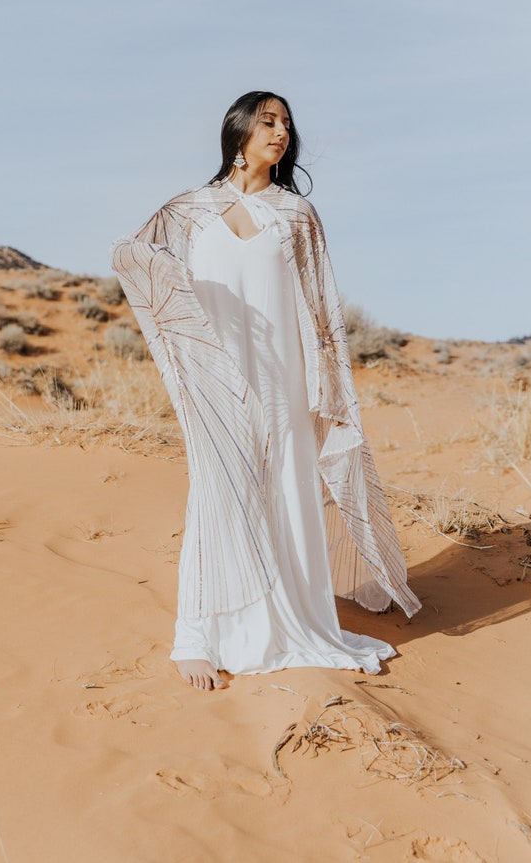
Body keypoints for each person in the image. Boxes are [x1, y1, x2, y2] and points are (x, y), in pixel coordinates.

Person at [110, 91, 420, 691]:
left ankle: (295, 620)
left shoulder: (297, 215)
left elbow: (323, 305)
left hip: (285, 373)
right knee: (218, 490)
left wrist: (327, 383)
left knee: (287, 485)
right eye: (268, 121)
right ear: (239, 131)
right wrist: (187, 327)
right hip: (215, 377)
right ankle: (199, 635)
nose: (280, 132)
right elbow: (133, 258)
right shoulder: (187, 210)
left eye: (286, 124)